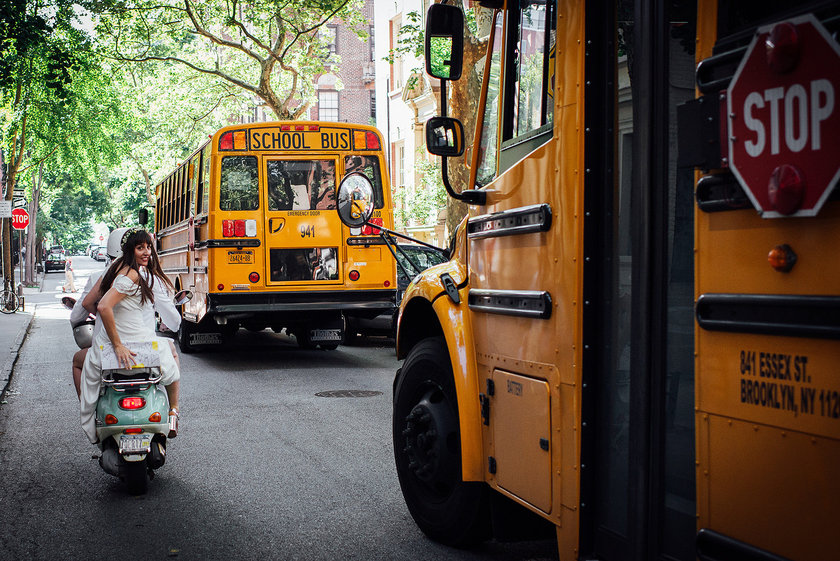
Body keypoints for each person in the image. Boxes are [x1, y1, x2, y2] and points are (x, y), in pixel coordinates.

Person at [79, 228, 182, 444]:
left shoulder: (116, 269)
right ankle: (173, 412)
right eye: (140, 248)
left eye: (148, 247)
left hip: (116, 344)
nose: (146, 253)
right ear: (129, 250)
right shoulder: (135, 274)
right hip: (133, 344)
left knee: (79, 362)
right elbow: (105, 306)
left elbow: (93, 304)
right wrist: (118, 345)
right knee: (171, 352)